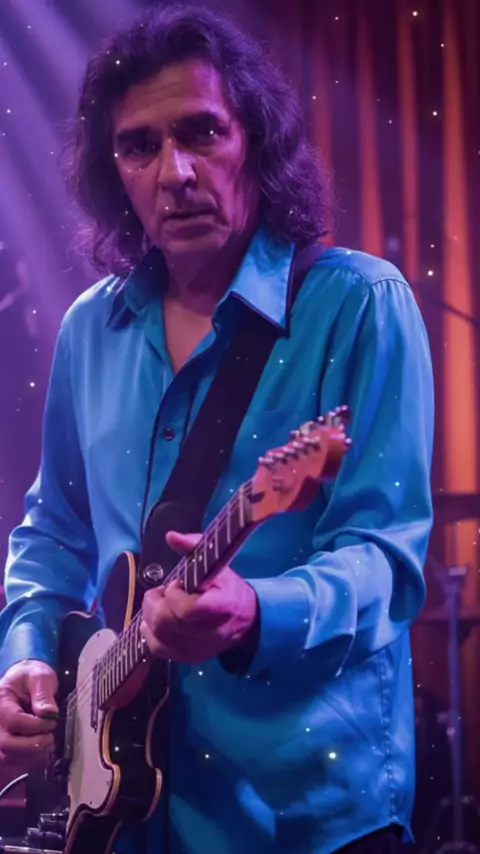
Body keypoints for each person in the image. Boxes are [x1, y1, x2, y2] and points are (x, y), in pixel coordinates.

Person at [0, 5, 434, 854]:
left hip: (302, 813)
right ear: (113, 173)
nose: (176, 172)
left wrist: (257, 612)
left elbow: (385, 558)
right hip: (125, 816)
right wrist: (27, 652)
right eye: (140, 147)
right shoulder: (91, 328)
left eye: (202, 132)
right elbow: (52, 530)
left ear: (256, 142)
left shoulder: (360, 304)